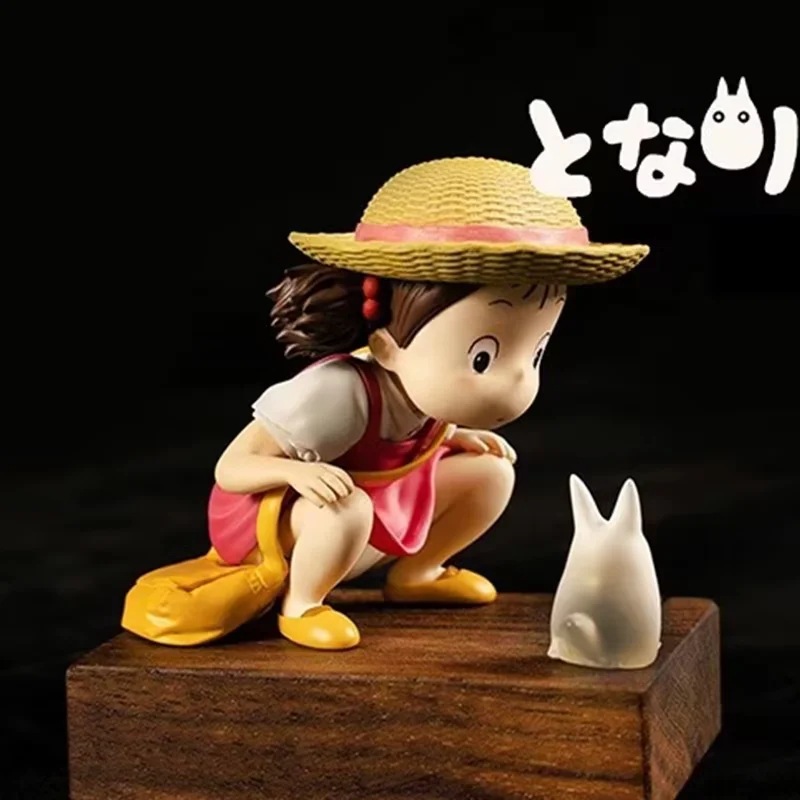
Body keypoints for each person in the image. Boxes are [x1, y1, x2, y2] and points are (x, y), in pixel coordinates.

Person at [122, 156, 649, 650]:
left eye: (535, 354)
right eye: (482, 358)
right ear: (386, 345)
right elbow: (232, 468)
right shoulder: (337, 392)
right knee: (346, 505)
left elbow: (407, 434)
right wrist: (296, 472)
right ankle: (302, 604)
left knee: (491, 473)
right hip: (277, 523)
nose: (516, 383)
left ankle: (418, 573)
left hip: (373, 503)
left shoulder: (426, 392)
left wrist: (454, 438)